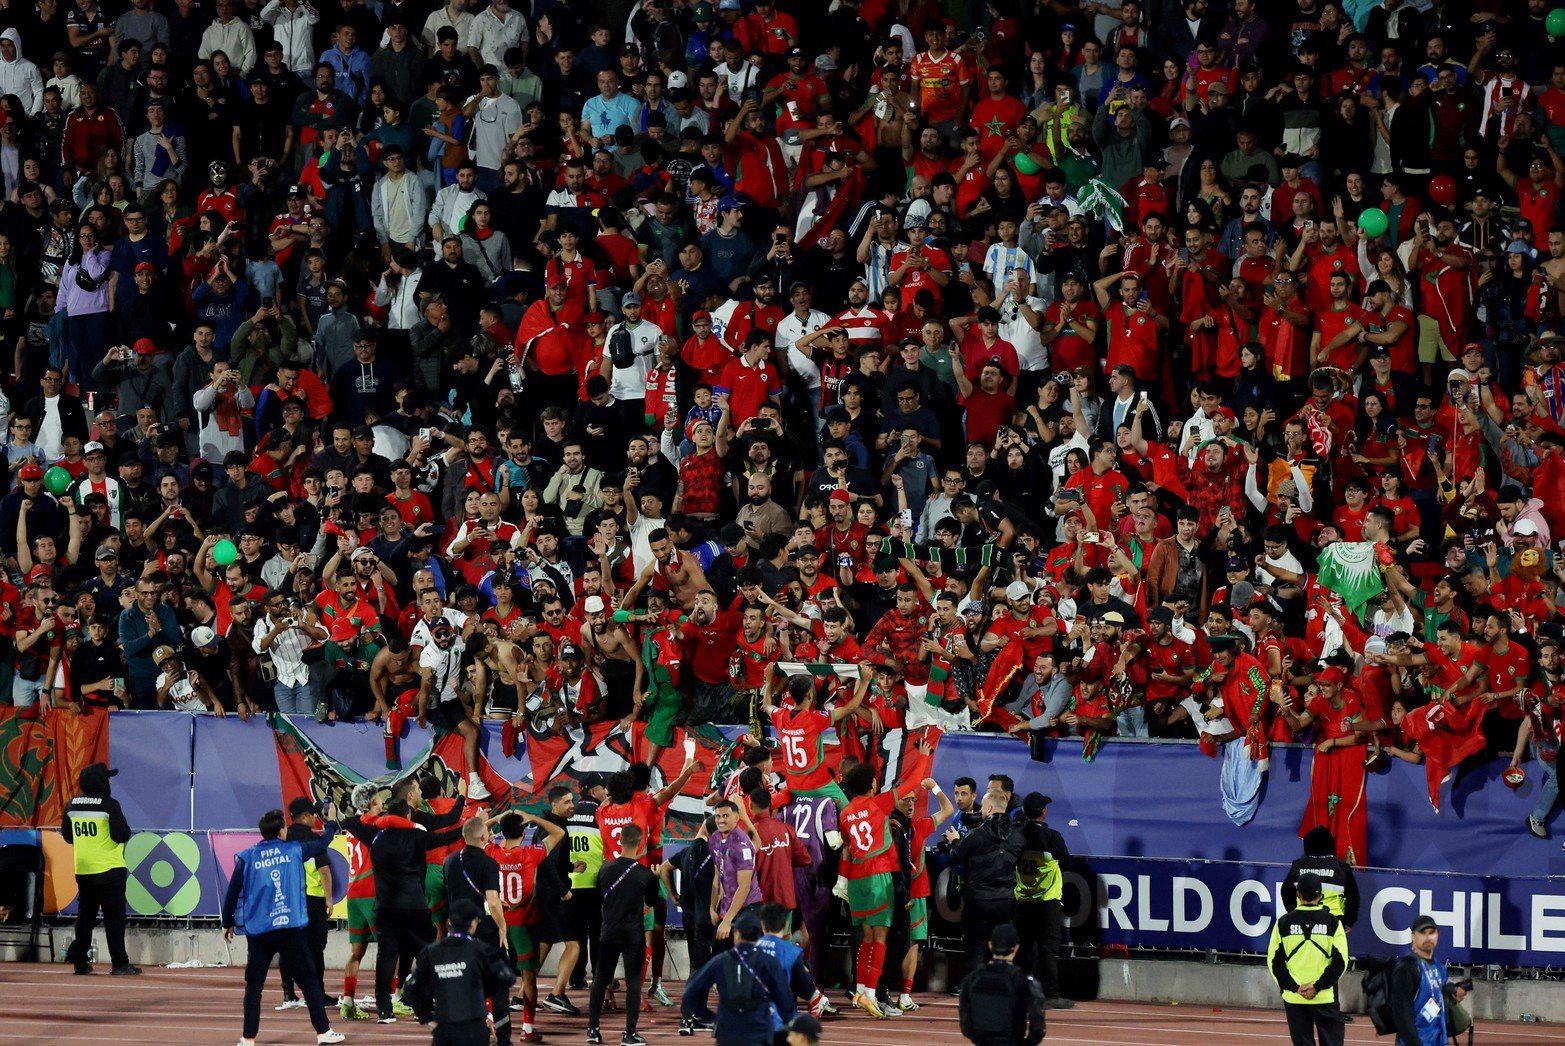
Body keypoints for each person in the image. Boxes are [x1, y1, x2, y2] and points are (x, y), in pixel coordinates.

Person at [220, 804, 346, 1046]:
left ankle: (248, 1038)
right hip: (289, 928)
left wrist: (228, 922)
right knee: (309, 981)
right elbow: (324, 842)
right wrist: (330, 822)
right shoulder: (294, 851)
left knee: (254, 986)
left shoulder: (247, 857)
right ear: (280, 831)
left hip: (259, 931)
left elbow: (233, 892)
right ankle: (323, 1033)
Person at [404, 898, 517, 1046]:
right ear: (473, 923)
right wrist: (486, 987)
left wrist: (427, 1018)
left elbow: (410, 987)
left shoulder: (431, 952)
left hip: (444, 1029)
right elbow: (507, 978)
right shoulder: (480, 950)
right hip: (474, 1029)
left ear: (450, 921)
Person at [585, 822, 659, 1046]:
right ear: (640, 843)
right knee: (633, 982)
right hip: (632, 934)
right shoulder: (645, 874)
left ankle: (593, 1030)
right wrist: (655, 878)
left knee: (600, 979)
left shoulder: (605, 869)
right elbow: (653, 901)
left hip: (608, 931)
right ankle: (629, 1033)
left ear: (620, 841)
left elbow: (598, 898)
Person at [61, 762, 137, 976]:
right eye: (108, 777)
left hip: (84, 871)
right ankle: (120, 963)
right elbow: (121, 835)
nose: (110, 780)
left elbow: (68, 837)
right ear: (101, 781)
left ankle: (80, 962)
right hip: (110, 870)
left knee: (85, 917)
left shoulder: (71, 805)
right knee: (114, 919)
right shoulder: (110, 805)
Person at [680, 911, 794, 1046]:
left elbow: (689, 994)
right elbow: (786, 1001)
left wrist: (711, 1017)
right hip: (759, 1031)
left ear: (737, 934)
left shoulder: (719, 961)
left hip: (727, 1032)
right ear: (759, 936)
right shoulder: (769, 962)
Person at [1266, 872, 1348, 1046]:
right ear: (1320, 895)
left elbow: (1274, 963)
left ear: (1298, 895)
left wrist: (1295, 988)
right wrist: (1317, 987)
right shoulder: (1333, 923)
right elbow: (1340, 963)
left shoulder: (1283, 923)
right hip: (1325, 998)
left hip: (1295, 999)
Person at [1012, 791, 1073, 1008]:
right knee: (1048, 948)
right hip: (1047, 901)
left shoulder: (1015, 834)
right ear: (1043, 812)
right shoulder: (1052, 837)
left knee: (1022, 948)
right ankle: (1051, 995)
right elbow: (1067, 864)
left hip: (1023, 900)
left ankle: (1020, 992)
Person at [957, 923, 1047, 1045]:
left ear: (990, 945)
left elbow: (966, 1024)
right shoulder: (1023, 980)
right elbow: (1038, 1024)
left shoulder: (971, 979)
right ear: (1016, 948)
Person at [1390, 914, 1469, 1046]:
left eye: (1431, 932)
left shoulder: (1439, 967)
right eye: (1422, 933)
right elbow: (1401, 1014)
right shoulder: (1407, 967)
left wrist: (1451, 995)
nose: (1428, 937)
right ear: (1413, 936)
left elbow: (1435, 1002)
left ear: (1438, 934)